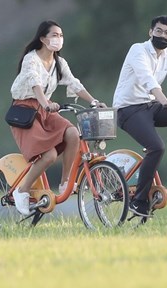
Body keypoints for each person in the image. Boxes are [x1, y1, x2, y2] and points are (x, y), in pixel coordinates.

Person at [9, 20, 106, 215]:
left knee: (72, 133)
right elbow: (34, 82)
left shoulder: (59, 63)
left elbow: (74, 83)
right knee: (49, 155)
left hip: (46, 109)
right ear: (43, 39)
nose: (58, 39)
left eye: (61, 36)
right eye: (54, 35)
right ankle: (22, 191)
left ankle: (65, 183)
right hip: (26, 110)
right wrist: (45, 102)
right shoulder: (32, 59)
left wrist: (93, 101)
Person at [112, 15, 167, 218]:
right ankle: (139, 200)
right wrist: (163, 99)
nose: (162, 35)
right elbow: (147, 78)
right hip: (129, 109)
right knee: (157, 147)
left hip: (151, 105)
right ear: (150, 32)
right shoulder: (138, 50)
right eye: (158, 31)